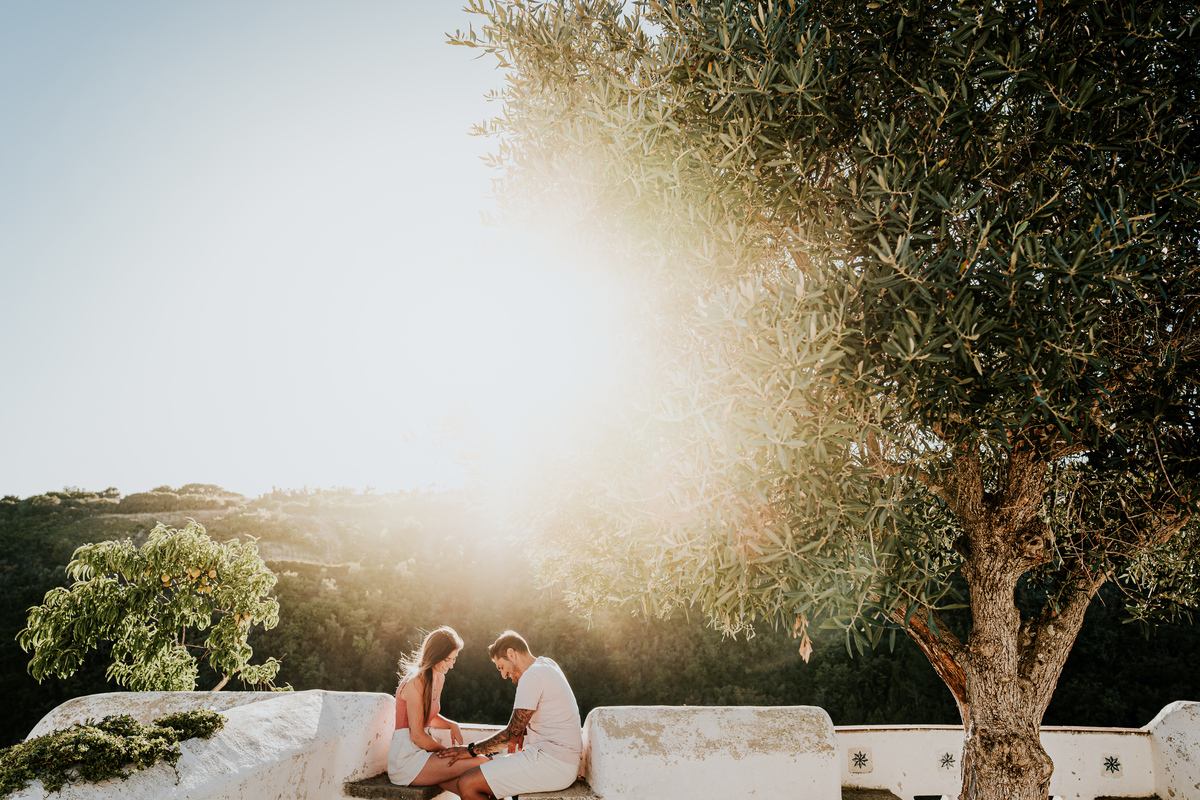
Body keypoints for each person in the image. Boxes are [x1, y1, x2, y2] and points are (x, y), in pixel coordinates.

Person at [437, 630, 582, 800]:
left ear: (511, 654)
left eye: (502, 667)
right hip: (559, 761)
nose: (504, 675)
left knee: (467, 783)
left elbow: (511, 735)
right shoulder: (546, 665)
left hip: (553, 763)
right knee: (486, 782)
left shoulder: (532, 675)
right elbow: (544, 720)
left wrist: (471, 750)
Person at [388, 626, 489, 789]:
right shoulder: (416, 682)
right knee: (481, 761)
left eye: (454, 659)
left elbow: (427, 716)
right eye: (447, 659)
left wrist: (451, 724)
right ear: (434, 655)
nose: (451, 665)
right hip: (407, 759)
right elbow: (417, 736)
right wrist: (449, 751)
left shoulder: (438, 679)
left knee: (474, 789)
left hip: (424, 753)